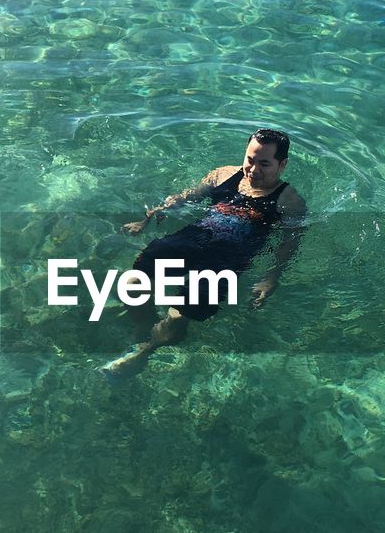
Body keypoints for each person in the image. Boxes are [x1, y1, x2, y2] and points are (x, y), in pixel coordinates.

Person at [101, 128, 307, 380]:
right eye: (250, 160)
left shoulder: (289, 201)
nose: (253, 170)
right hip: (191, 240)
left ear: (282, 164)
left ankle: (144, 351)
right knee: (131, 284)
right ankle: (145, 329)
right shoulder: (224, 174)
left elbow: (291, 239)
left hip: (225, 260)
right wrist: (145, 220)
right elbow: (184, 198)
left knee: (179, 315)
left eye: (264, 164)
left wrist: (271, 277)